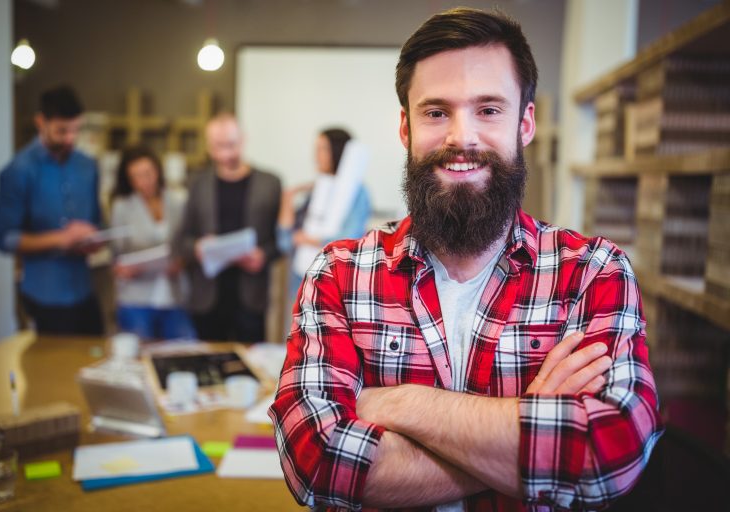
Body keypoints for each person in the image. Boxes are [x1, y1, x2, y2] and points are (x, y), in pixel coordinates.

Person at [269, 8, 662, 512]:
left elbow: (612, 454)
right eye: (436, 112)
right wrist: (531, 421)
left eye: (489, 109)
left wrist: (399, 403)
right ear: (406, 128)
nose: (462, 137)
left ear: (525, 123)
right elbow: (317, 464)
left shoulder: (593, 272)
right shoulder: (339, 275)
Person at [0, 85, 105, 335]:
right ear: (40, 122)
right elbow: (4, 238)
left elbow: (98, 222)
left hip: (84, 289)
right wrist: (63, 238)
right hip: (43, 293)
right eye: (61, 131)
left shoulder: (88, 166)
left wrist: (94, 239)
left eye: (76, 130)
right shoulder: (19, 171)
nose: (70, 139)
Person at [174, 113, 281, 342]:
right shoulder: (198, 183)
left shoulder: (270, 183)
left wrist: (263, 255)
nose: (225, 154)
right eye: (218, 147)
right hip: (207, 296)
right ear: (209, 147)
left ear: (243, 140)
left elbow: (280, 241)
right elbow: (181, 240)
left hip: (251, 296)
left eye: (231, 145)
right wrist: (198, 247)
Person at [109, 146, 195, 340]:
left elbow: (185, 243)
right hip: (136, 296)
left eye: (148, 174)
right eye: (136, 176)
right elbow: (116, 254)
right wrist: (123, 268)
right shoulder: (122, 206)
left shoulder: (177, 202)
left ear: (157, 171)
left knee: (183, 348)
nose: (144, 181)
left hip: (173, 293)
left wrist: (181, 262)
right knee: (140, 356)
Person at [277, 128, 372, 299]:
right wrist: (289, 196)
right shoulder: (315, 191)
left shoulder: (357, 193)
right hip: (301, 278)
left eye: (322, 149)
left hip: (333, 282)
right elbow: (285, 240)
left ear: (338, 151)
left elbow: (349, 239)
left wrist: (308, 239)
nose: (316, 156)